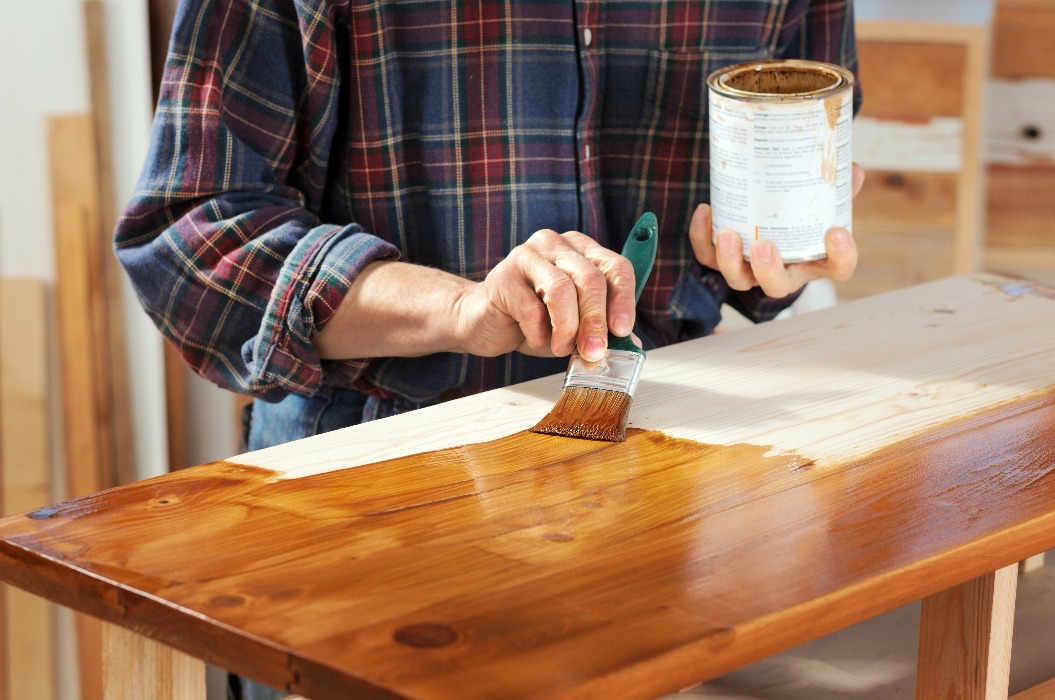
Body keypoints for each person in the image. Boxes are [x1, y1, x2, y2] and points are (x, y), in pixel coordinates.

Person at [115, 1, 862, 697]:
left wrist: (762, 251)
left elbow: (789, 190)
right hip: (361, 496)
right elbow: (189, 239)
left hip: (666, 484)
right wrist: (459, 307)